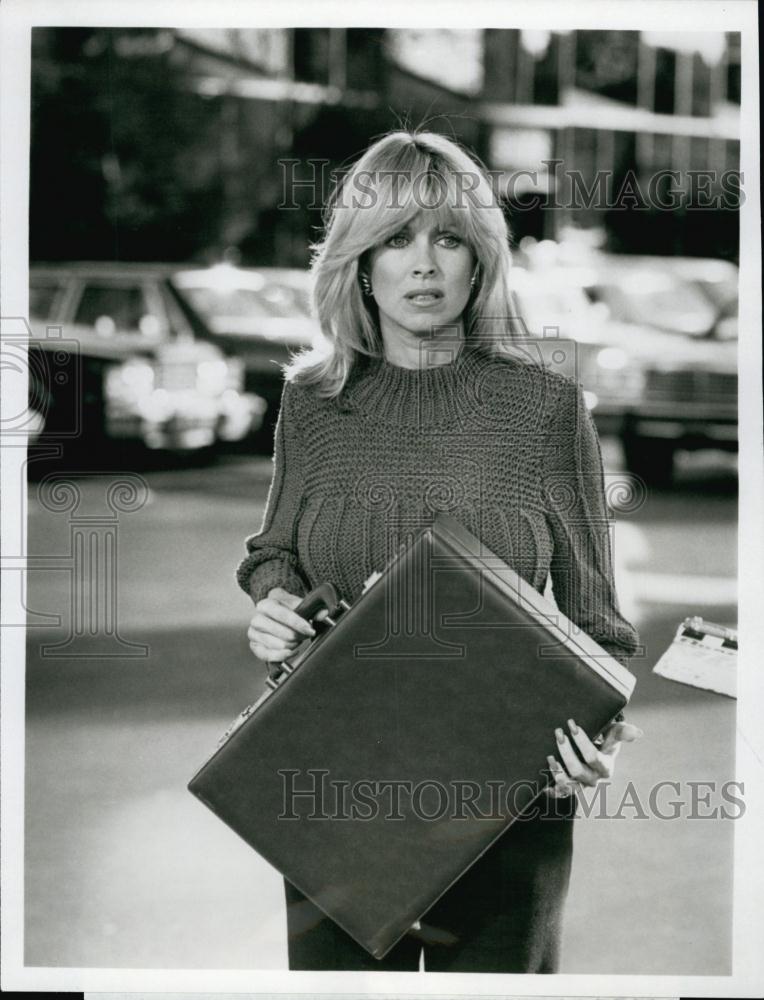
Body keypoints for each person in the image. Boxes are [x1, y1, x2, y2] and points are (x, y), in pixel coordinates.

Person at [236, 129, 642, 973]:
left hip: (504, 806)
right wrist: (273, 608)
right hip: (334, 794)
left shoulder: (545, 411)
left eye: (448, 237)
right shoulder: (314, 402)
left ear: (480, 260)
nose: (423, 265)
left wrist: (589, 738)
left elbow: (600, 631)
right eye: (395, 238)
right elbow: (274, 554)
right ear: (359, 261)